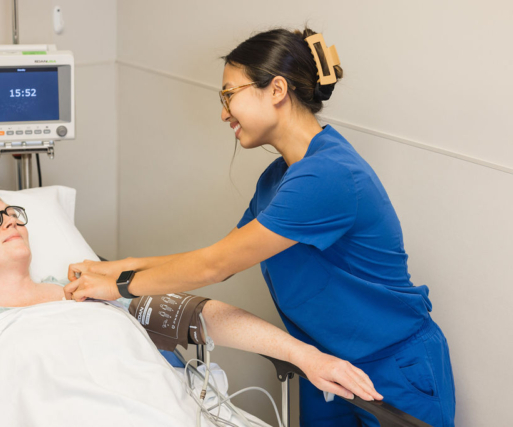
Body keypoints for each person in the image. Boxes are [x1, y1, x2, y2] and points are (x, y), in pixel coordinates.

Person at [65, 28, 455, 427]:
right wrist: (117, 266)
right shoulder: (279, 177)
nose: (223, 113)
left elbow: (213, 267)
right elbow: (222, 254)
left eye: (229, 94)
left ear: (277, 89)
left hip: (393, 366)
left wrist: (120, 286)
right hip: (324, 363)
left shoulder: (327, 176)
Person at [0, 188, 379, 427]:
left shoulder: (88, 289)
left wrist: (305, 356)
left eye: (13, 213)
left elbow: (200, 315)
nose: (11, 221)